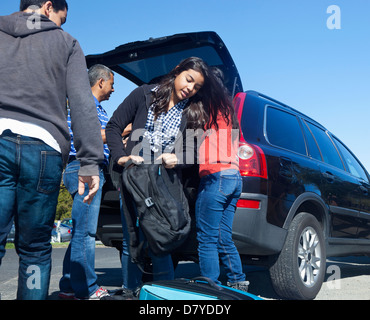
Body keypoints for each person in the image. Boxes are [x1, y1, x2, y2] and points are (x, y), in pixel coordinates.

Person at [0, 1, 104, 300]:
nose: (62, 23)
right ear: (48, 7)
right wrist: (90, 162)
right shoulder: (65, 42)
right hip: (43, 149)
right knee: (34, 249)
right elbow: (83, 102)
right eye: (62, 17)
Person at [105, 57, 209, 292]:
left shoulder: (193, 111)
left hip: (164, 184)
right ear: (177, 71)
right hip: (134, 180)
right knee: (131, 240)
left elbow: (193, 152)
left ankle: (164, 295)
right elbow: (113, 126)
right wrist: (120, 155)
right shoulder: (143, 94)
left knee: (161, 242)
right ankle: (130, 292)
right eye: (189, 80)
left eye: (197, 87)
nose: (190, 89)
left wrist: (178, 159)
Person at [189, 67, 249, 291]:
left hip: (216, 177)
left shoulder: (211, 105)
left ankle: (210, 288)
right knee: (224, 236)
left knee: (207, 239)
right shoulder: (229, 110)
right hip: (234, 177)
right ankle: (238, 281)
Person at [58, 65, 114, 300]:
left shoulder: (96, 107)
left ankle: (69, 284)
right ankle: (88, 289)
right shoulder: (85, 103)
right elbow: (87, 132)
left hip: (82, 168)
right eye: (112, 83)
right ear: (100, 82)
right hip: (86, 169)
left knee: (81, 229)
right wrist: (118, 130)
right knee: (86, 233)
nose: (113, 89)